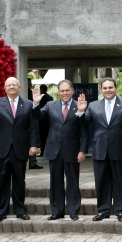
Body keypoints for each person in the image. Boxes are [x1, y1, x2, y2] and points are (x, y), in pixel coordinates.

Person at [77, 78, 122, 222]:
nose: (108, 90)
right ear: (101, 90)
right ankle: (103, 211)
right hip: (100, 150)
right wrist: (80, 112)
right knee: (101, 181)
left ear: (116, 88)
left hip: (120, 150)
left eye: (110, 87)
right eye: (105, 88)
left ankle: (121, 211)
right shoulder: (93, 105)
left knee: (120, 181)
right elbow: (83, 123)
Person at [0, 77, 39, 222]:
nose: (11, 87)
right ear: (4, 88)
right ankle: (2, 211)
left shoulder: (28, 104)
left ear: (19, 87)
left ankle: (20, 210)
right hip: (1, 149)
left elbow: (33, 127)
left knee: (20, 181)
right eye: (9, 85)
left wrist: (34, 145)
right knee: (2, 182)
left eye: (14, 84)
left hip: (20, 148)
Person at [32, 79, 88, 221]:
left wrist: (83, 150)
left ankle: (74, 211)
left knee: (73, 182)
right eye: (62, 90)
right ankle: (57, 211)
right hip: (54, 149)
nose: (65, 93)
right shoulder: (50, 105)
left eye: (67, 90)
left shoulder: (79, 105)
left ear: (72, 91)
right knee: (55, 182)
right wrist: (36, 104)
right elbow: (37, 116)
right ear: (58, 92)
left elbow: (85, 130)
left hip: (72, 150)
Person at [27, 78, 42, 169]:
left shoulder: (31, 93)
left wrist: (36, 103)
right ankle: (32, 162)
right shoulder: (28, 93)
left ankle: (32, 162)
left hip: (34, 118)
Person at [36, 84, 53, 156]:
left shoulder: (42, 97)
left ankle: (43, 151)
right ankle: (45, 150)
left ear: (42, 89)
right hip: (47, 120)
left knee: (43, 136)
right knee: (45, 136)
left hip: (42, 120)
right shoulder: (50, 97)